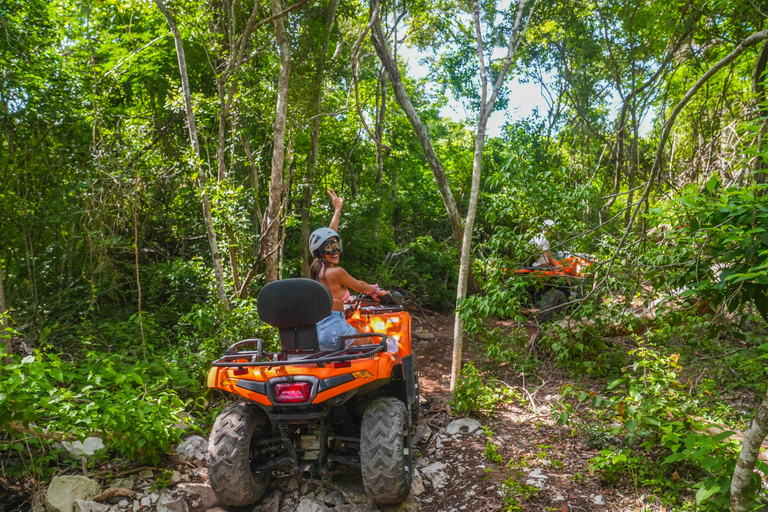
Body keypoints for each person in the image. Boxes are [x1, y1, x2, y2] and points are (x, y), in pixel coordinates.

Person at [309, 190, 387, 351]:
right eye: (329, 248)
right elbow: (360, 285)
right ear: (321, 251)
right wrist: (377, 292)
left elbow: (329, 235)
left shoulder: (317, 268)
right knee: (377, 343)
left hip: (315, 331)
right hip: (334, 328)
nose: (335, 250)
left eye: (336, 245)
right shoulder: (336, 272)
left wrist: (337, 210)